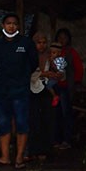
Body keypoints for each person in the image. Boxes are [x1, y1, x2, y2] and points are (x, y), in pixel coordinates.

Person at [0, 13, 37, 169]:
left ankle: (19, 157)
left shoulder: (26, 43)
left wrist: (22, 77)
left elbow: (33, 63)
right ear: (3, 25)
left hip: (20, 90)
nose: (11, 26)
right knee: (3, 123)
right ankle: (5, 157)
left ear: (18, 26)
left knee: (22, 122)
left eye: (14, 23)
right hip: (1, 90)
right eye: (8, 23)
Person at [26, 32, 60, 161]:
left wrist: (53, 72)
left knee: (47, 119)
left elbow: (58, 72)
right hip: (31, 89)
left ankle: (45, 149)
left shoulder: (49, 56)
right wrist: (44, 74)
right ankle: (33, 150)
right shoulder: (29, 56)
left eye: (44, 42)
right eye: (39, 42)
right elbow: (28, 73)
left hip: (45, 90)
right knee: (33, 120)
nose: (42, 45)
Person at [53, 28, 80, 149]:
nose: (62, 40)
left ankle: (66, 140)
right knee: (56, 114)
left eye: (64, 37)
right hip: (55, 87)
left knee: (66, 113)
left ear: (68, 39)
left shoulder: (71, 52)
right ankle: (56, 139)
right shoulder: (53, 51)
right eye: (60, 37)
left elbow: (78, 68)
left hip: (66, 88)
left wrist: (76, 82)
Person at [45, 42, 68, 107]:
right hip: (54, 77)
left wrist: (52, 62)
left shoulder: (60, 60)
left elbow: (57, 69)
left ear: (59, 53)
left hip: (59, 79)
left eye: (53, 53)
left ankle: (54, 96)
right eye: (50, 52)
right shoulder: (51, 59)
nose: (51, 54)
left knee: (48, 85)